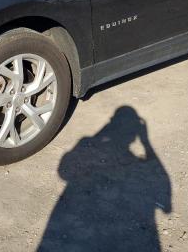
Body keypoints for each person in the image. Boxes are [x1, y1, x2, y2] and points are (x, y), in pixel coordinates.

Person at [38, 106, 171, 252]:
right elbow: (165, 201)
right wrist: (146, 142)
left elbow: (63, 172)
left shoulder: (86, 142)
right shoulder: (95, 146)